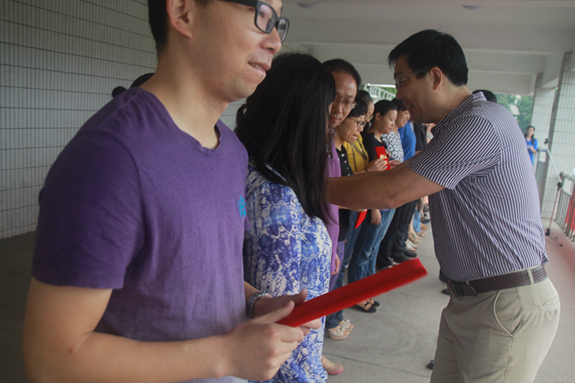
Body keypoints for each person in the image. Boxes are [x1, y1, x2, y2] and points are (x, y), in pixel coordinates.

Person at [23, 1, 321, 383]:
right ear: (183, 12)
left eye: (279, 22)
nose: (276, 41)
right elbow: (51, 360)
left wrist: (257, 303)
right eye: (261, 13)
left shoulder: (231, 152)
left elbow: (197, 275)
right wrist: (225, 355)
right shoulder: (110, 157)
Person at [326, 29, 560, 383]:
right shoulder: (456, 128)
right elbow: (400, 171)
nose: (399, 95)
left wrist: (308, 188)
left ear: (435, 76)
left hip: (505, 304)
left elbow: (392, 191)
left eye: (402, 80)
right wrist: (317, 185)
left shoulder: (479, 123)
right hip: (472, 299)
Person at [236, 52, 335, 383]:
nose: (329, 122)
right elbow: (277, 324)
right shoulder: (273, 196)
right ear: (302, 116)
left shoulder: (254, 170)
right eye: (325, 111)